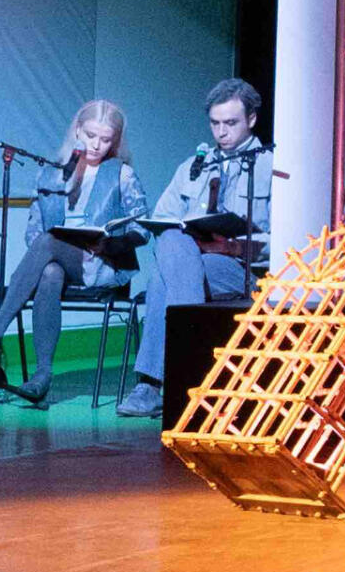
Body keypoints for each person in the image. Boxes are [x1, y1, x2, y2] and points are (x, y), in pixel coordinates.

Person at [0, 100, 148, 400]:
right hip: (59, 261)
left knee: (48, 242)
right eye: (90, 135)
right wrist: (52, 246)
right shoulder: (50, 173)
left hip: (101, 264)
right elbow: (33, 230)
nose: (96, 145)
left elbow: (142, 229)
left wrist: (109, 244)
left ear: (115, 142)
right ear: (77, 131)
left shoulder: (121, 174)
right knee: (49, 271)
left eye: (106, 139)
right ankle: (42, 375)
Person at [118, 80, 275, 421]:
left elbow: (287, 240)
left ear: (251, 119)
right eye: (215, 123)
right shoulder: (194, 166)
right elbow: (162, 218)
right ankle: (189, 377)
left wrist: (232, 245)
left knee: (162, 281)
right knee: (172, 242)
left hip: (242, 271)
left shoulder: (271, 167)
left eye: (230, 123)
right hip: (191, 263)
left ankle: (152, 384)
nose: (221, 132)